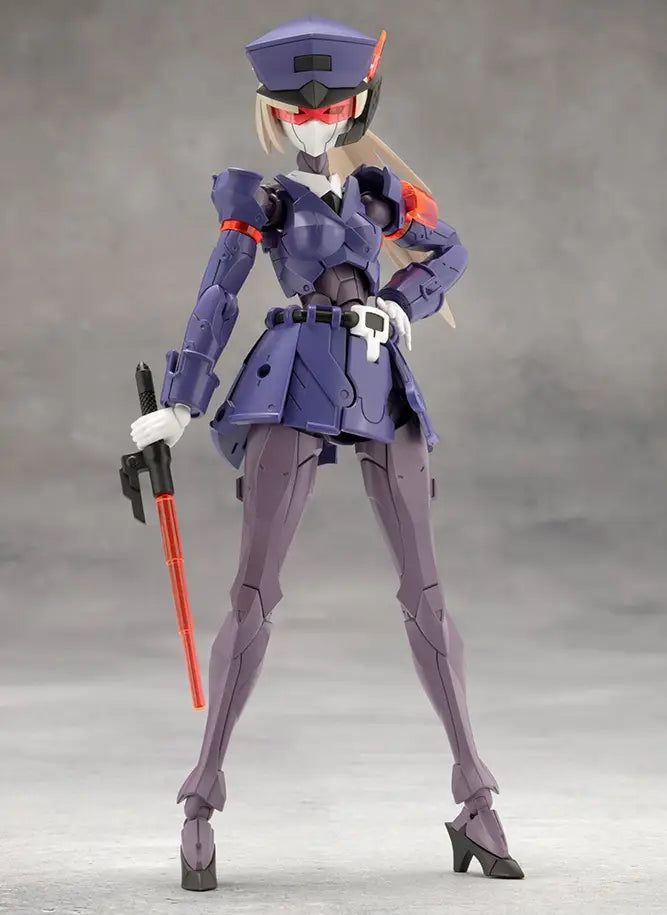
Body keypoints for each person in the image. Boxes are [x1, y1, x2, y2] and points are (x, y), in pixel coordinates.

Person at [130, 15, 524, 890]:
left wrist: (400, 304)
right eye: (294, 107)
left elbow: (450, 250)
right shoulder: (264, 202)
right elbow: (218, 295)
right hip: (291, 376)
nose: (312, 121)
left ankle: (475, 793)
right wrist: (181, 401)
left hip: (378, 379)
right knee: (253, 591)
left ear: (356, 104)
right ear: (272, 109)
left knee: (426, 593)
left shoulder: (380, 196)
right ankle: (201, 798)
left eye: (330, 105)